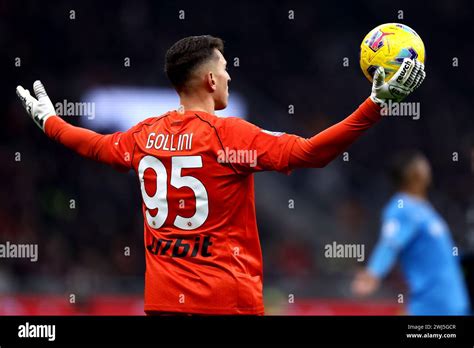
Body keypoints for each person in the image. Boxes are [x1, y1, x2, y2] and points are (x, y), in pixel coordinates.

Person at [16, 35, 425, 315]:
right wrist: (374, 105)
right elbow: (310, 153)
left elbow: (93, 145)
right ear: (210, 79)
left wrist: (52, 122)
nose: (229, 75)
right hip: (225, 303)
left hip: (163, 305)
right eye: (225, 68)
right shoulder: (228, 135)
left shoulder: (145, 135)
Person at [352, 151, 471, 315]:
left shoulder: (424, 209)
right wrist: (372, 274)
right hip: (431, 304)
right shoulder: (402, 207)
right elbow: (390, 244)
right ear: (412, 173)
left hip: (450, 302)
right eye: (422, 163)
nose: (427, 167)